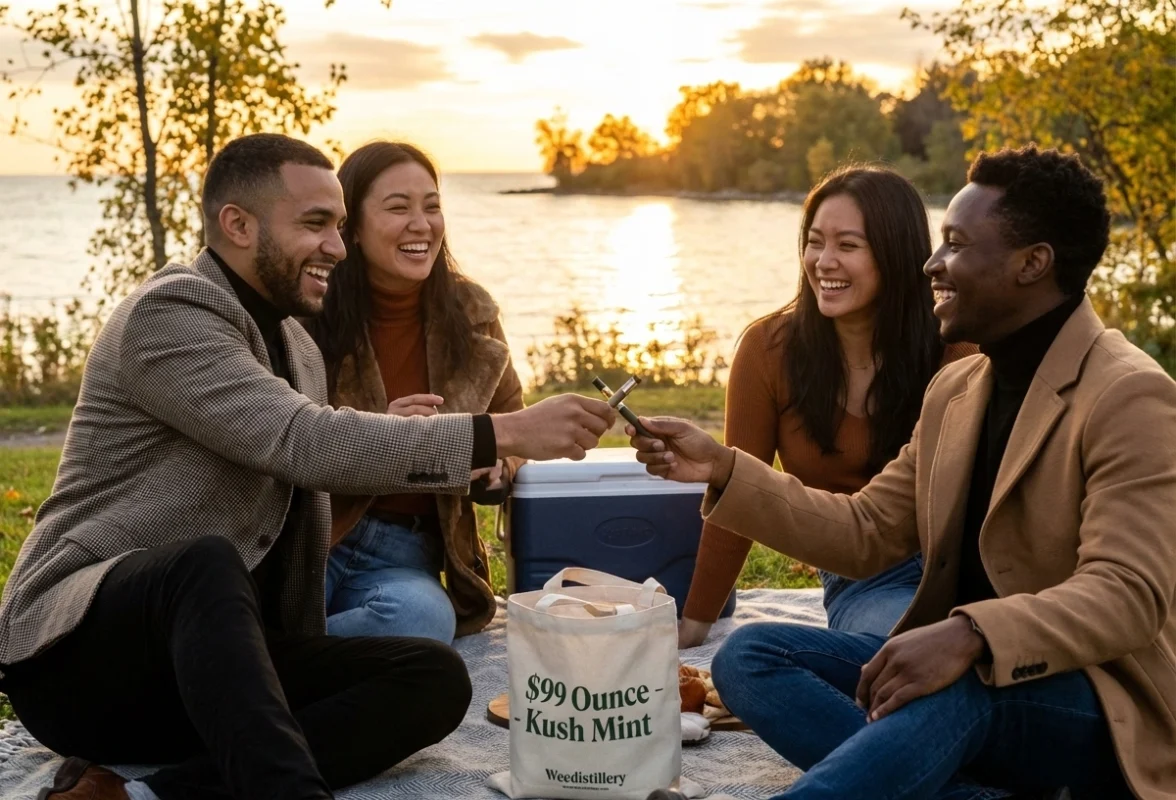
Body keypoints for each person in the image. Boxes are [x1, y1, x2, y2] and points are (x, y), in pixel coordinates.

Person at [0, 133, 616, 800]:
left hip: (201, 676)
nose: (338, 248)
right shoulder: (171, 312)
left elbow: (313, 470)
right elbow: (305, 442)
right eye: (316, 224)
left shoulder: (297, 341)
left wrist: (446, 446)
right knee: (203, 563)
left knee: (432, 676)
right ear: (237, 225)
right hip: (81, 662)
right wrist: (505, 432)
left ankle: (140, 796)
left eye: (341, 227)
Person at [631, 145, 1174, 799]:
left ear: (1032, 264)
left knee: (960, 687)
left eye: (956, 245)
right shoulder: (960, 390)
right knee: (751, 657)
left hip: (1088, 692)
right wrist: (721, 465)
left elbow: (1128, 595)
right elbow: (864, 531)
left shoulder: (1130, 394)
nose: (932, 264)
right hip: (970, 674)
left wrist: (972, 634)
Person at [680, 165, 977, 648]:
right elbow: (740, 490)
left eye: (847, 245)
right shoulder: (767, 350)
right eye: (815, 242)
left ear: (896, 254)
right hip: (866, 579)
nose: (823, 261)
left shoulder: (958, 349)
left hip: (966, 569)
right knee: (897, 654)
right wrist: (695, 626)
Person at [305, 141, 522, 643]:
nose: (421, 224)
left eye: (432, 205)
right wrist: (384, 432)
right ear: (352, 227)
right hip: (313, 539)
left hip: (406, 556)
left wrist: (497, 463)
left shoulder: (474, 315)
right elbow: (277, 435)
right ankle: (275, 653)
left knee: (423, 622)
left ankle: (274, 658)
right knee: (225, 604)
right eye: (398, 208)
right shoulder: (307, 311)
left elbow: (513, 421)